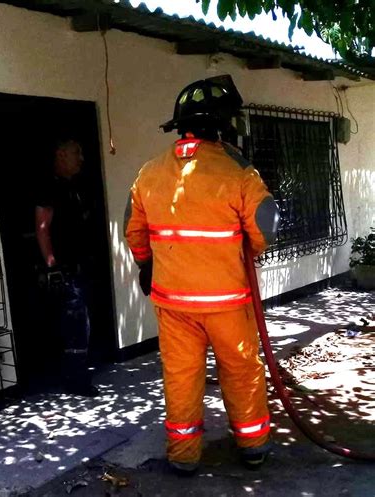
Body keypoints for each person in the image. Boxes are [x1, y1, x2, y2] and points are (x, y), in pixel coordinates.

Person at [124, 75, 280, 474]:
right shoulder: (239, 173)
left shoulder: (148, 173)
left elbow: (134, 232)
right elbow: (265, 228)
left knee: (180, 377)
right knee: (241, 370)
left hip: (173, 303)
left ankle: (184, 456)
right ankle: (252, 445)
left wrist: (146, 265)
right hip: (227, 301)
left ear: (180, 127)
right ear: (224, 127)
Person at [35, 137, 99, 397]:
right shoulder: (50, 186)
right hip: (66, 270)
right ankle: (75, 380)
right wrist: (52, 266)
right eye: (77, 152)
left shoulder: (74, 186)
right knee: (75, 324)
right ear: (61, 155)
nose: (81, 158)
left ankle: (78, 374)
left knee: (81, 322)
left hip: (81, 266)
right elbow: (42, 228)